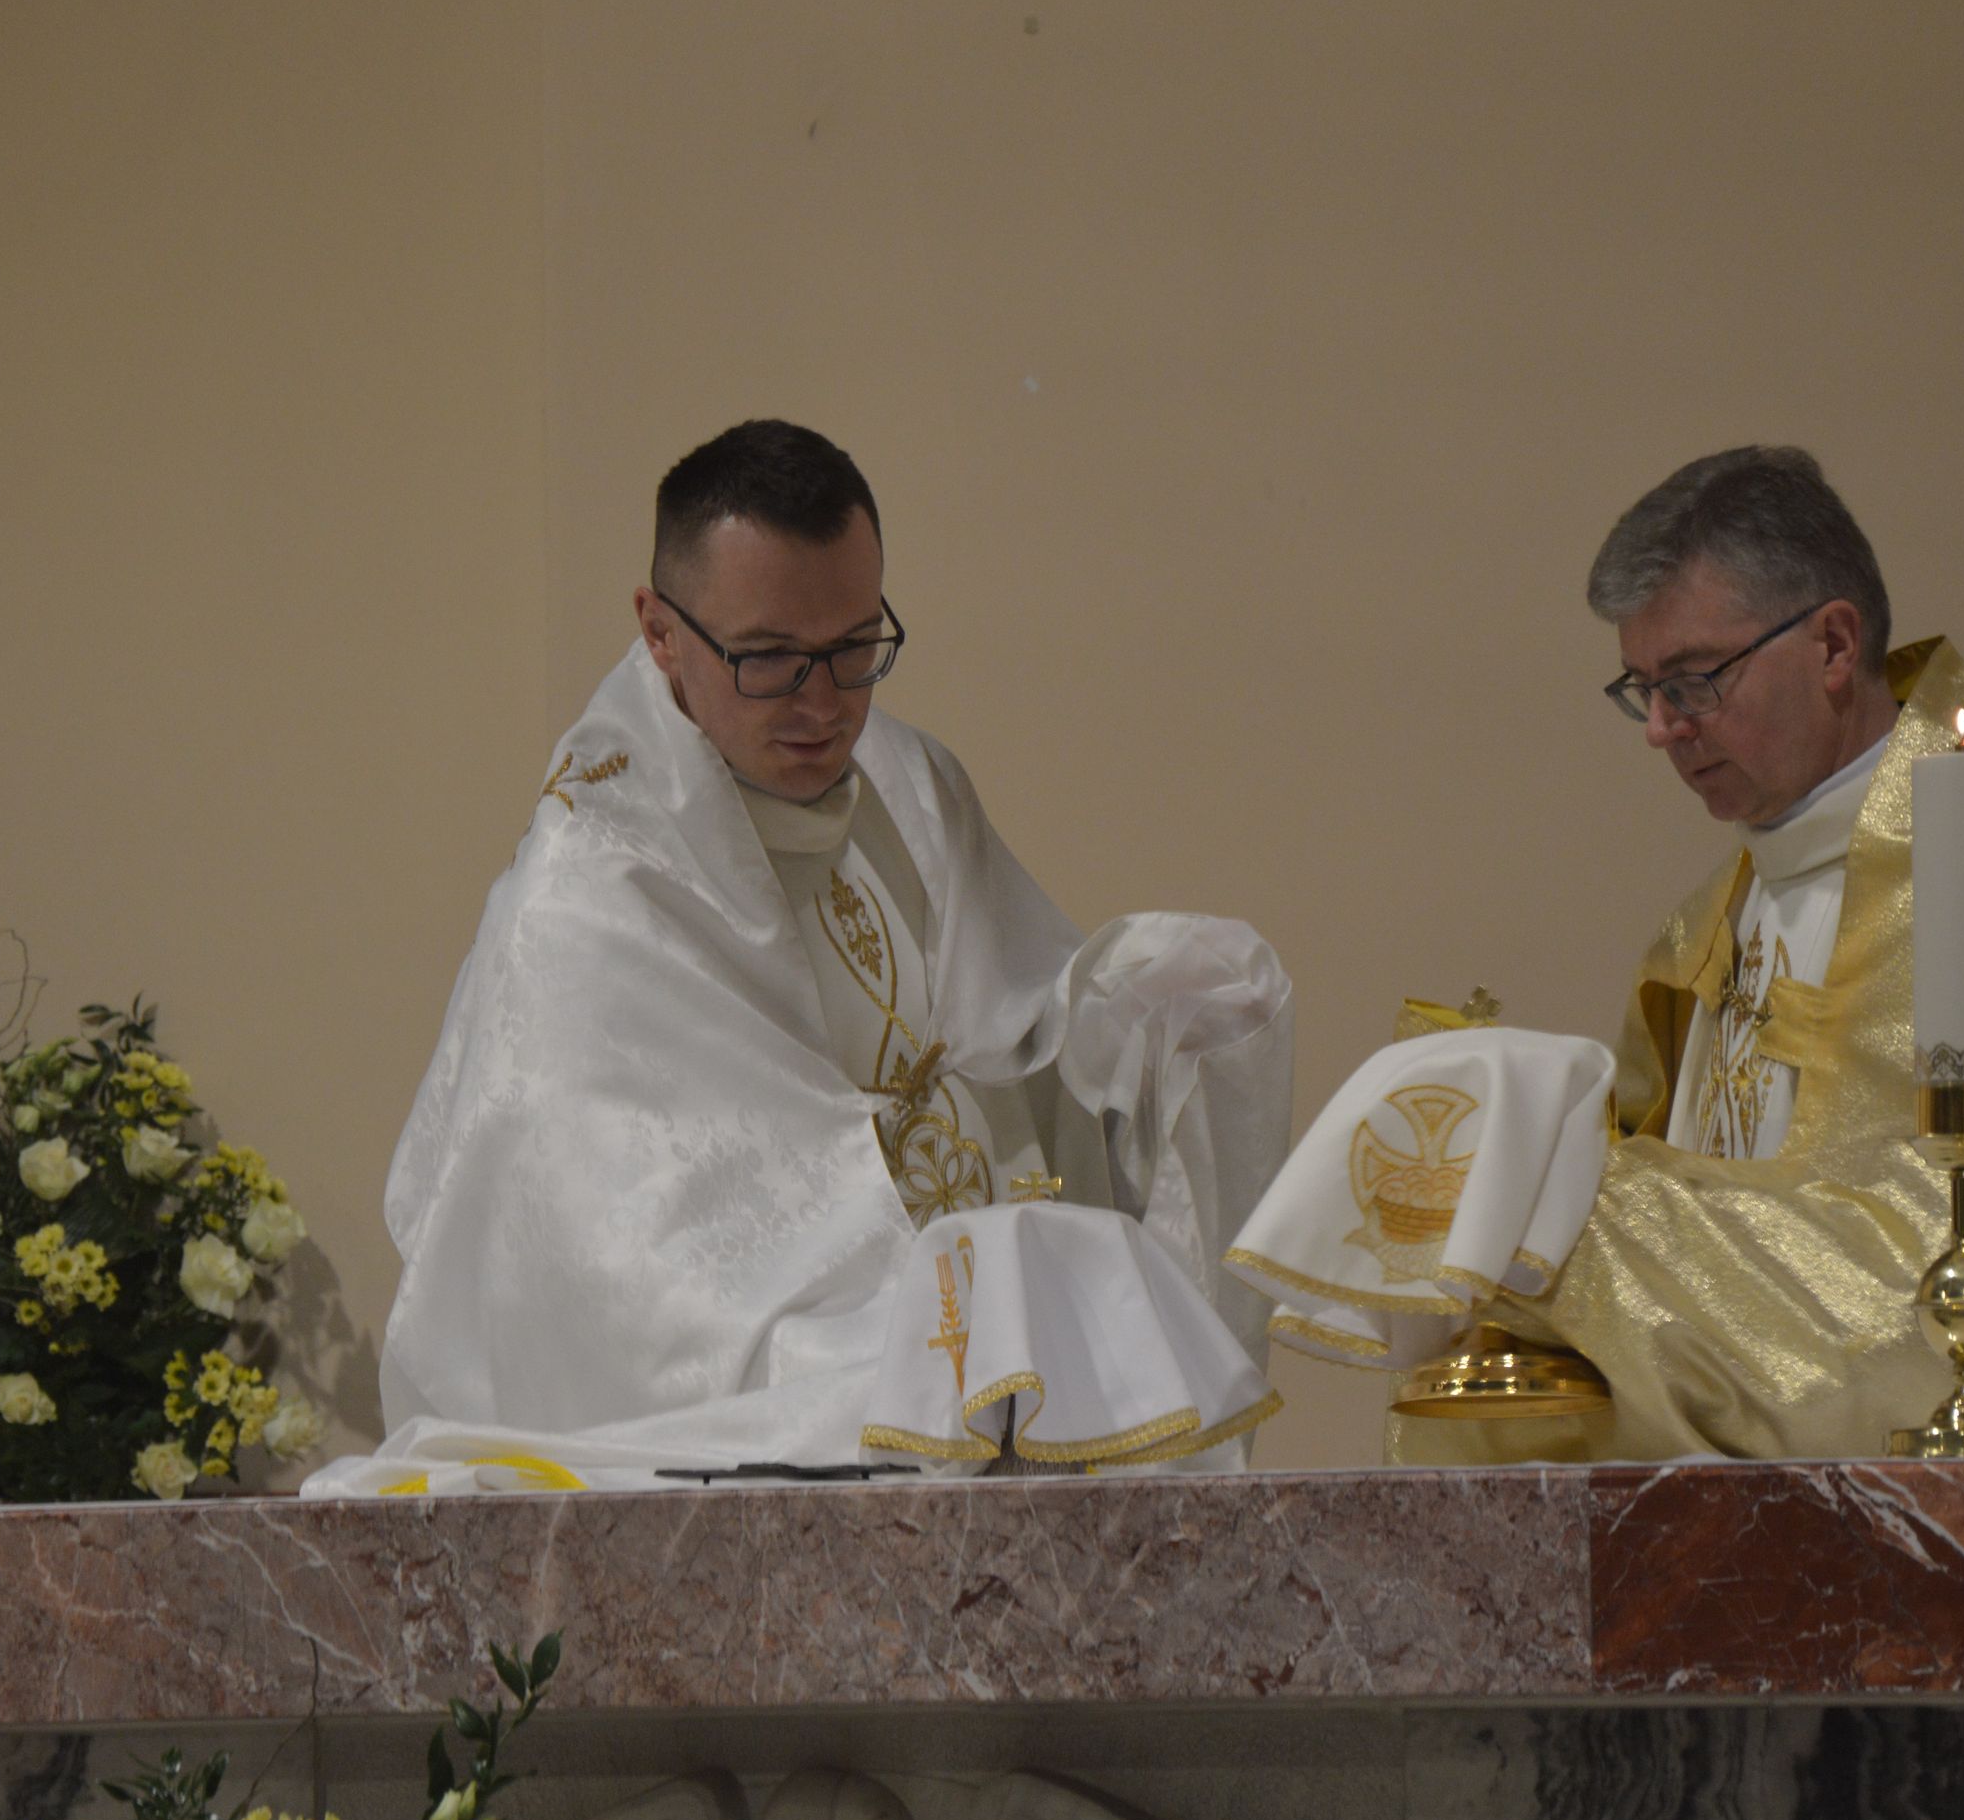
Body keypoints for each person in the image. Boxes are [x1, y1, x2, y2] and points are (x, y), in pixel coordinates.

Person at [1246, 445, 1964, 1459]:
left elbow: (1917, 1318)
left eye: (1695, 681)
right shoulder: (1714, 923)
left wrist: (1562, 1204)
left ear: (1832, 645)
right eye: (1643, 689)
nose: (1663, 728)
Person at [329, 421, 1289, 1491]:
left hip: (980, 1390)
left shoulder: (911, 786)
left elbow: (1022, 1051)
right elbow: (625, 1287)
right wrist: (909, 1321)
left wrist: (1140, 1011)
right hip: (778, 1390)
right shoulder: (589, 892)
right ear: (659, 631)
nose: (825, 706)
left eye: (854, 647)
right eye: (771, 659)